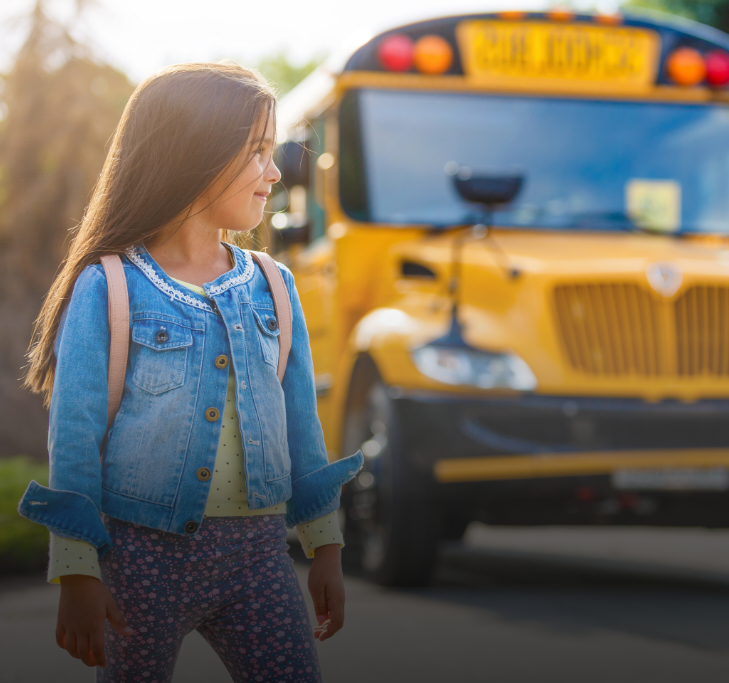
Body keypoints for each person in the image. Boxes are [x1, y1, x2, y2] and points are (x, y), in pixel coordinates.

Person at [17, 62, 364, 683]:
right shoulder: (109, 285)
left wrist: (326, 546)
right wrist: (76, 570)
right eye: (258, 151)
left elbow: (303, 431)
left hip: (258, 556)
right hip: (141, 557)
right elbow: (75, 441)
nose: (276, 172)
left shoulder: (274, 287)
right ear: (197, 155)